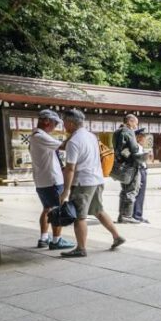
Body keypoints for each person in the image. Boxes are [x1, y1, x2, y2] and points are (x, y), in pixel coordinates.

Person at [58, 109, 124, 257]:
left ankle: (81, 248)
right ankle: (117, 236)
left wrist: (65, 191)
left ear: (70, 122)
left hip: (83, 182)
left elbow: (70, 168)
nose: (63, 126)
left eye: (64, 122)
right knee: (98, 210)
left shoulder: (74, 141)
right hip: (97, 179)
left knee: (79, 216)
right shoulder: (91, 136)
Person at [30, 109, 74, 250]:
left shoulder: (35, 135)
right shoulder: (41, 136)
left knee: (47, 208)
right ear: (46, 121)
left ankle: (44, 238)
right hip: (52, 179)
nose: (55, 126)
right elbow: (64, 146)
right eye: (55, 123)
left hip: (42, 180)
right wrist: (76, 135)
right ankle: (56, 240)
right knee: (57, 210)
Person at [111, 114, 145, 224]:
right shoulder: (129, 131)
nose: (136, 125)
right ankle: (127, 215)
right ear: (130, 121)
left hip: (121, 165)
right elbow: (134, 148)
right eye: (135, 123)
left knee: (124, 190)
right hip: (131, 165)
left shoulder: (117, 132)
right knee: (132, 190)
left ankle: (121, 215)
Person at [132, 127, 151, 223]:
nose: (145, 139)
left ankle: (136, 214)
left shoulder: (139, 146)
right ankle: (137, 215)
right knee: (139, 194)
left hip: (142, 170)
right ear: (139, 138)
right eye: (143, 137)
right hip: (139, 170)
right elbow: (137, 160)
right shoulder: (136, 147)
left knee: (139, 194)